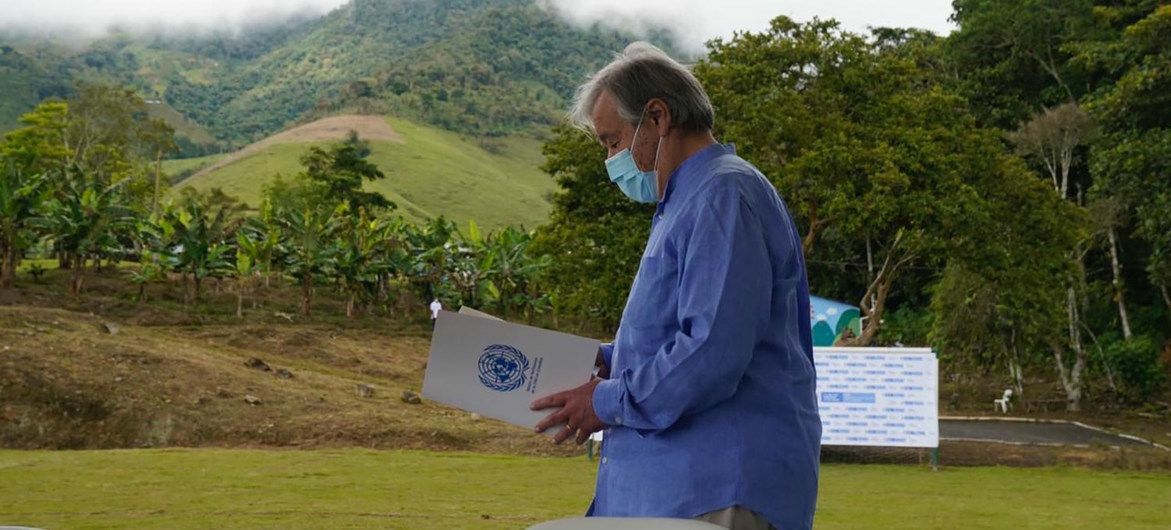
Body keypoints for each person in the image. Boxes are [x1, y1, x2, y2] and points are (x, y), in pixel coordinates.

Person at [530, 42, 821, 530]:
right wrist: (604, 360)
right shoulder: (685, 202)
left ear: (658, 118)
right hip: (670, 490)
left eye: (612, 141)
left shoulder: (723, 194)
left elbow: (712, 350)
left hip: (715, 484)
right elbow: (676, 336)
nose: (611, 160)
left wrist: (603, 400)